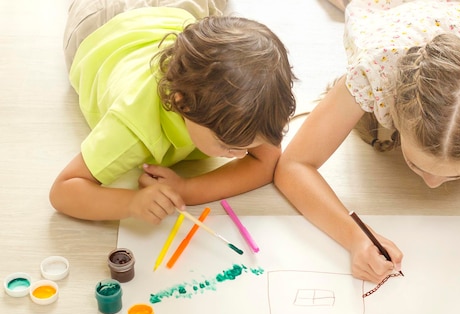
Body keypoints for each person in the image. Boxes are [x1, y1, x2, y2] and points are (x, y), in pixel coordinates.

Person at [274, 0, 460, 283]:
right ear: (394, 106)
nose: (431, 184)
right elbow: (293, 165)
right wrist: (356, 238)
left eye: (457, 173)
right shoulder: (378, 70)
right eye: (416, 165)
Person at [50, 0, 296, 224]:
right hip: (98, 25)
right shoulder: (132, 126)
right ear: (183, 104)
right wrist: (132, 203)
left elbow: (267, 161)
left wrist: (186, 189)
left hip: (171, 17)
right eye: (228, 147)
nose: (242, 154)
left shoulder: (251, 108)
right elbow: (63, 191)